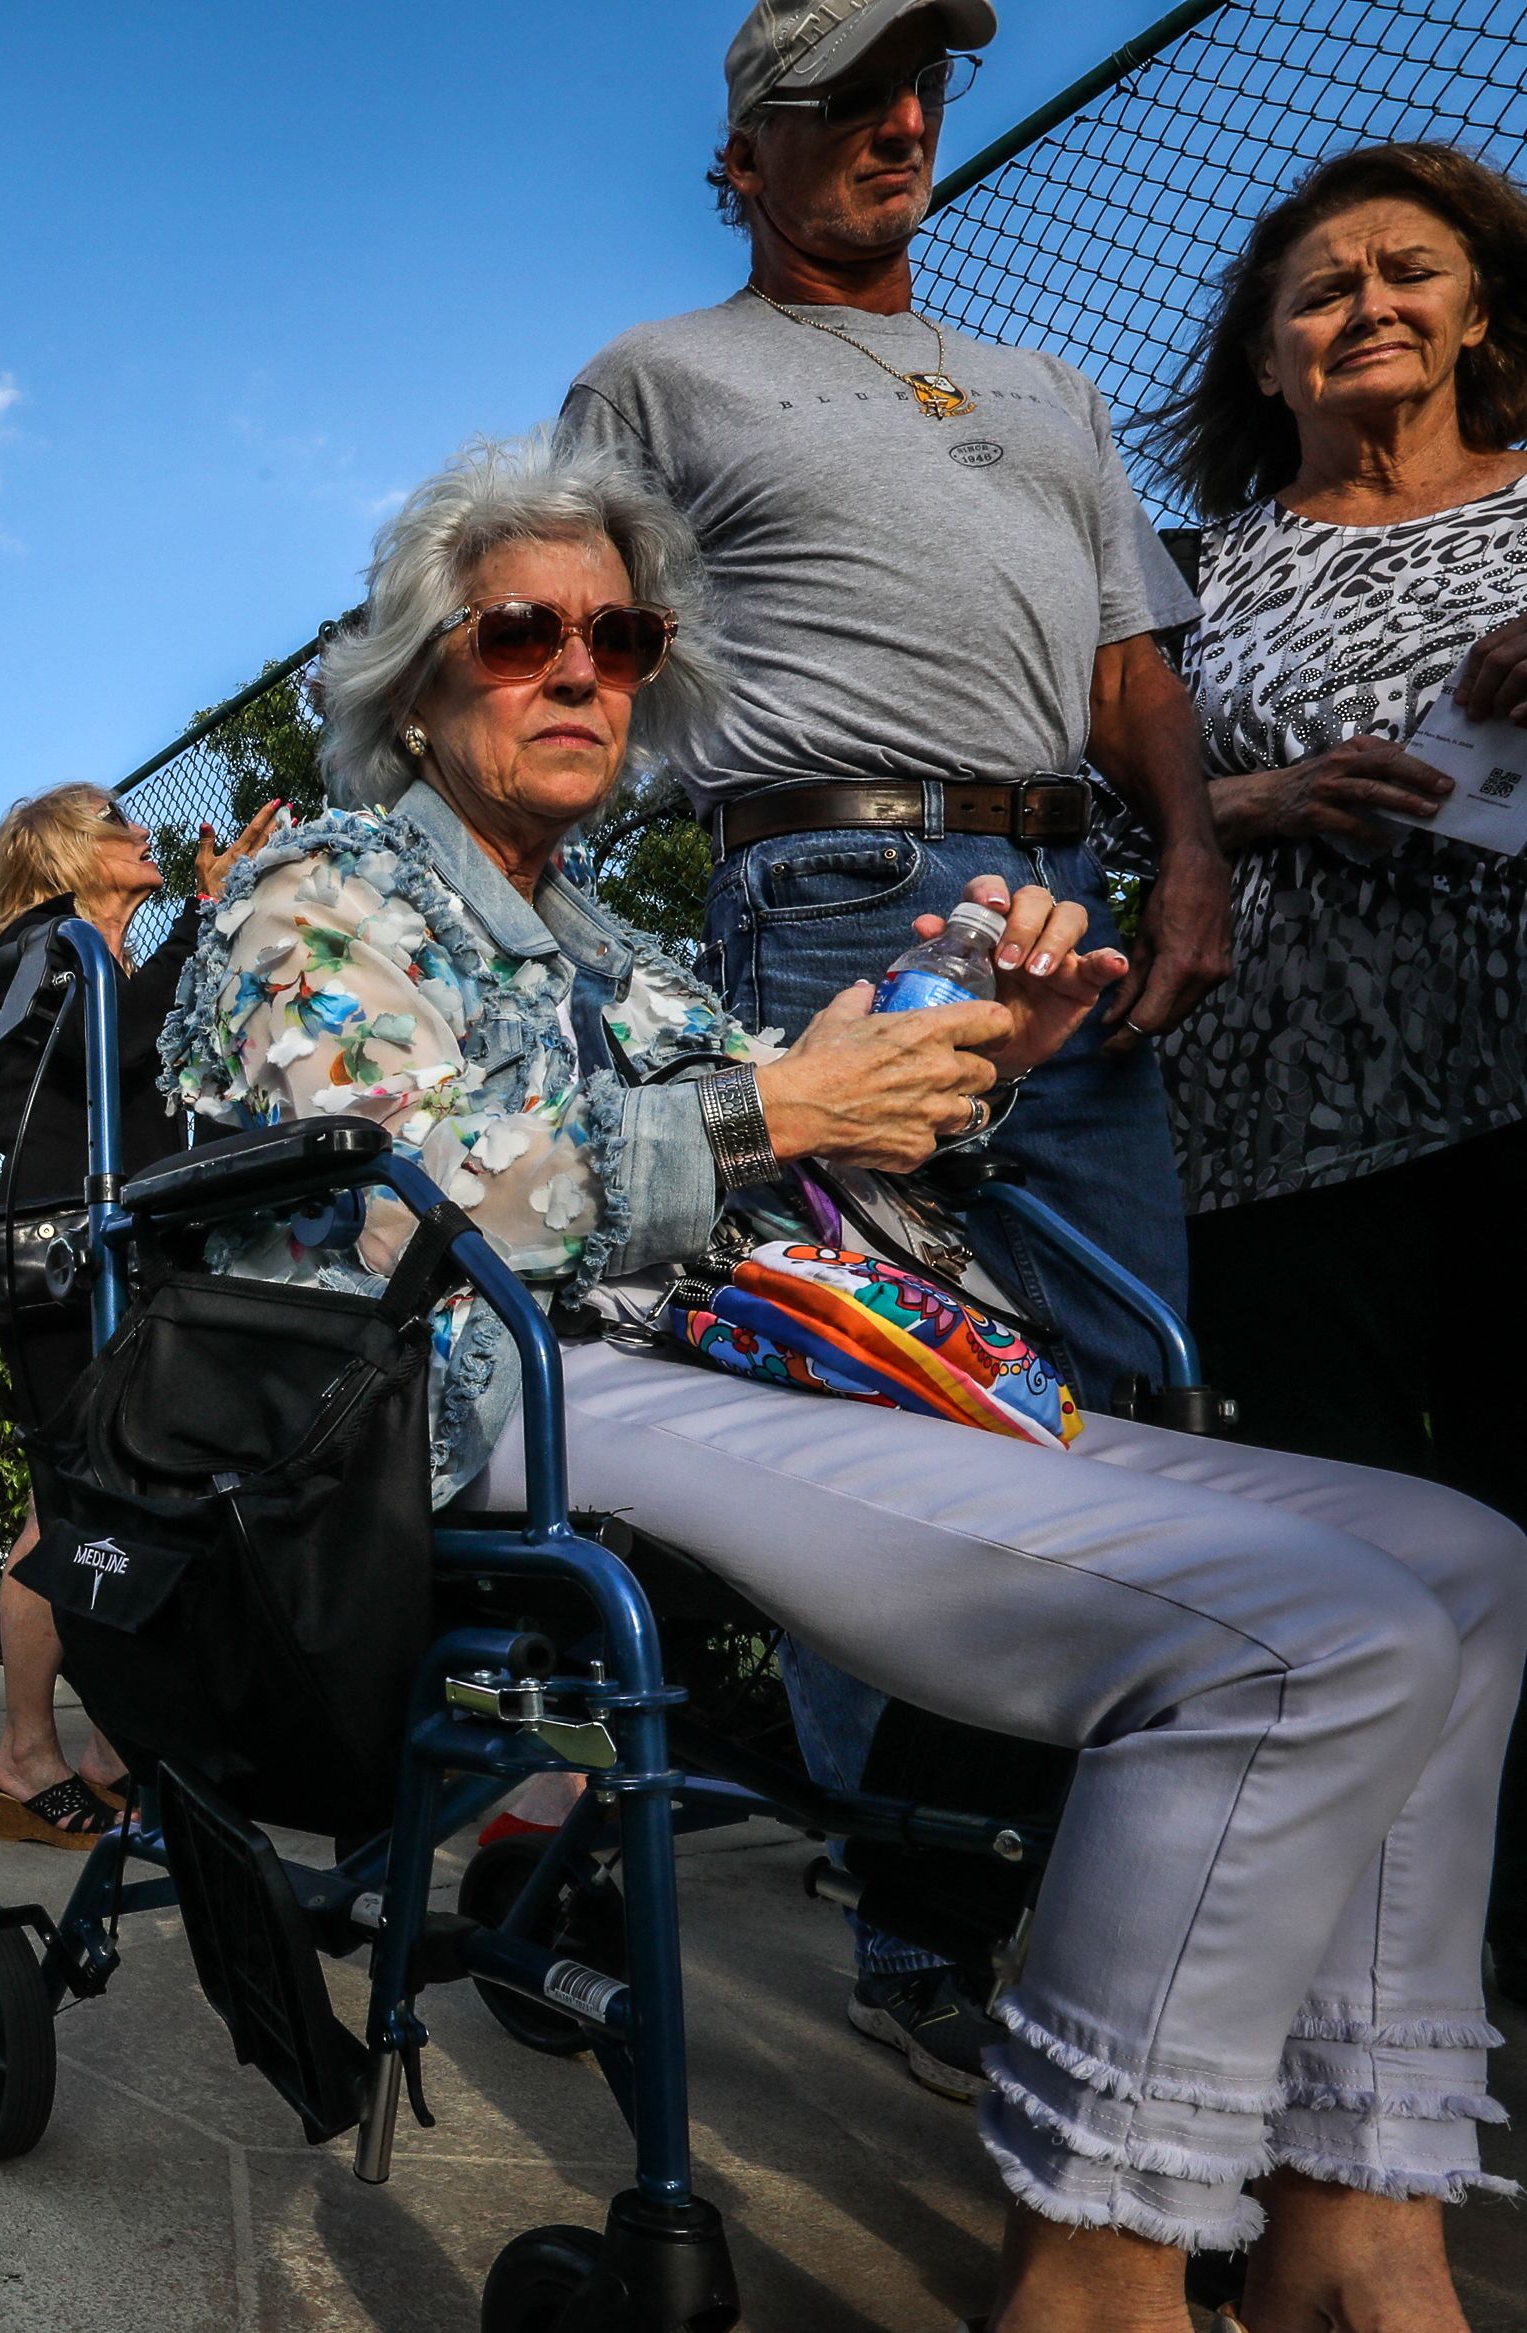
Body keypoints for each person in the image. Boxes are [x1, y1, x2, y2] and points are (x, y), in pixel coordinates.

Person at [177, 431, 1517, 2333]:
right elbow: (399, 1214)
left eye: (621, 634)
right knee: (1310, 1632)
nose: (580, 668)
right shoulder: (316, 898)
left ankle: (1355, 2210)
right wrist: (763, 1107)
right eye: (521, 634)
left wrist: (992, 1039)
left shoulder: (615, 947)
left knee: (1459, 1558)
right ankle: (1097, 2259)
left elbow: (806, 1165)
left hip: (751, 1357)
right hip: (495, 1391)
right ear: (416, 675)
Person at [556, 0, 1234, 2081]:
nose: (899, 121)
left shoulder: (1049, 388)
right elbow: (573, 634)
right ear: (739, 159)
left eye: (916, 86)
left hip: (1062, 902)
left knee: (1122, 1368)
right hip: (824, 891)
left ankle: (1070, 1841)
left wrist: (1187, 854)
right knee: (882, 1380)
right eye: (840, 98)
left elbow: (1129, 658)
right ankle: (913, 1897)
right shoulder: (657, 373)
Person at [1146, 139, 1527, 1996]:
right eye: (1322, 290)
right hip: (1275, 1139)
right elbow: (1106, 818)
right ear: (1268, 356)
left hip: (1516, 1091)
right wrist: (1262, 794)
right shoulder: (1197, 577)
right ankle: (1338, 1985)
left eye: (1408, 271)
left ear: (1478, 312)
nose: (1369, 305)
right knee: (1351, 1564)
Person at [0, 782, 280, 1843]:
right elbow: (116, 1050)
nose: (140, 829)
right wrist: (202, 913)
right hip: (57, 1257)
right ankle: (22, 1753)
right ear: (60, 852)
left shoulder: (96, 956)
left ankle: (109, 1745)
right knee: (70, 1497)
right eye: (113, 821)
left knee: (130, 1492)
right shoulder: (42, 950)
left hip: (111, 1251)